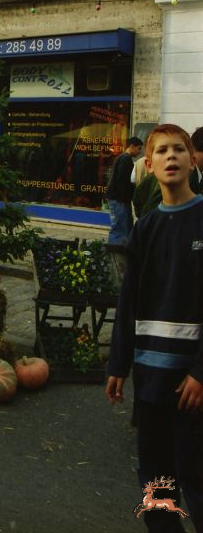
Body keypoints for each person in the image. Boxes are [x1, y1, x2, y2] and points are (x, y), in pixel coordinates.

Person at [105, 124, 203, 531]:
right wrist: (118, 363)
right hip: (150, 377)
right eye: (161, 151)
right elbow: (129, 301)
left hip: (192, 383)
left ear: (192, 159)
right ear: (149, 164)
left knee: (196, 477)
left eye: (179, 149)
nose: (171, 156)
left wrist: (200, 371)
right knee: (157, 480)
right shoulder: (145, 228)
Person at [105, 136, 143, 249]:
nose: (140, 152)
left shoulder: (121, 158)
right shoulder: (125, 159)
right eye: (139, 148)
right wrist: (125, 198)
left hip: (118, 198)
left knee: (122, 227)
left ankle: (119, 251)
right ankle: (115, 253)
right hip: (119, 199)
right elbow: (122, 181)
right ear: (132, 146)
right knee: (119, 228)